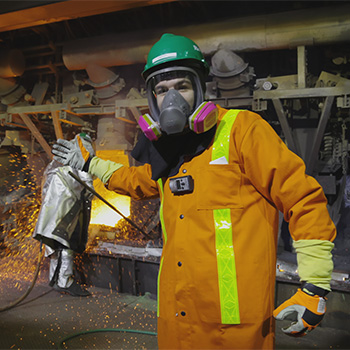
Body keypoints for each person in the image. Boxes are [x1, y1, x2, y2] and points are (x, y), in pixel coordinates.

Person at [52, 34, 336, 349]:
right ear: (152, 98)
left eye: (182, 87)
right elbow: (138, 181)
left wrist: (315, 286)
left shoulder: (243, 130)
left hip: (234, 324)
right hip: (177, 317)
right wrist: (92, 163)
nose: (171, 99)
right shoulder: (170, 152)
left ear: (200, 89)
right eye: (162, 90)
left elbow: (302, 198)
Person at [33, 159, 93, 296]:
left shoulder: (57, 160)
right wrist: (90, 193)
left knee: (55, 239)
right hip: (67, 201)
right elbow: (86, 176)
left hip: (52, 203)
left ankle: (55, 279)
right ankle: (65, 281)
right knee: (66, 239)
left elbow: (45, 183)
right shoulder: (83, 149)